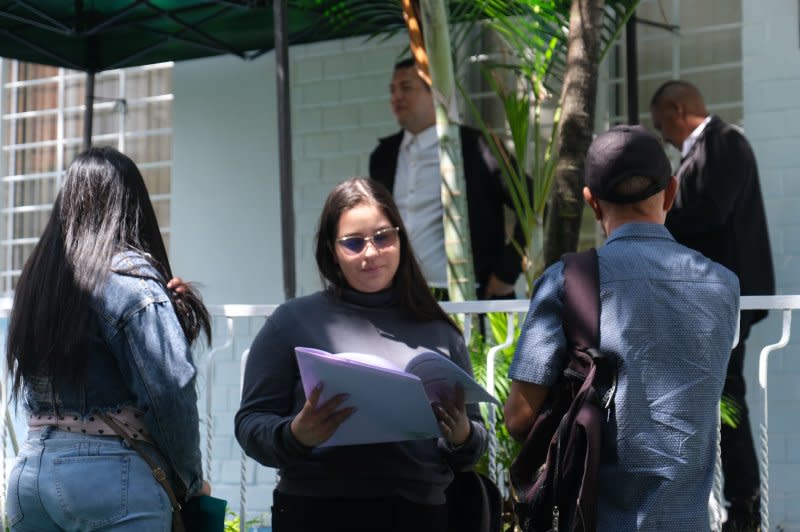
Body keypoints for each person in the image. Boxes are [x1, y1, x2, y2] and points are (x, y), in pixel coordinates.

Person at [504, 125, 740, 530]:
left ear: (592, 204)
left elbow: (518, 418)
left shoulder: (566, 280)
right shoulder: (723, 284)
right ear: (671, 192)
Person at [235, 177, 488, 532]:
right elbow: (250, 424)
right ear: (332, 251)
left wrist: (462, 434)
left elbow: (472, 441)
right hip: (316, 510)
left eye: (383, 237)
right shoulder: (290, 322)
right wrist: (296, 434)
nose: (371, 253)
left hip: (418, 513)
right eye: (353, 243)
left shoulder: (440, 331)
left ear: (399, 239)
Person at [5, 146, 211, 531]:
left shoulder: (40, 283)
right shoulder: (131, 280)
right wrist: (190, 481)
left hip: (30, 475)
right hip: (110, 477)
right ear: (132, 206)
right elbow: (169, 388)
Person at [650, 80, 774, 531]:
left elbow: (709, 212)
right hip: (714, 298)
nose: (662, 133)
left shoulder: (724, 142)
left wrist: (655, 222)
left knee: (726, 395)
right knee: (720, 395)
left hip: (726, 298)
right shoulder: (709, 149)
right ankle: (737, 506)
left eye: (661, 122)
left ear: (678, 108)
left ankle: (743, 507)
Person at [369, 58, 525, 300]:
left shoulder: (477, 146)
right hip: (403, 296)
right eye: (392, 89)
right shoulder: (383, 156)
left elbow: (532, 205)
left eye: (406, 88)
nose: (396, 97)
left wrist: (506, 273)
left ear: (434, 93)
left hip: (471, 296)